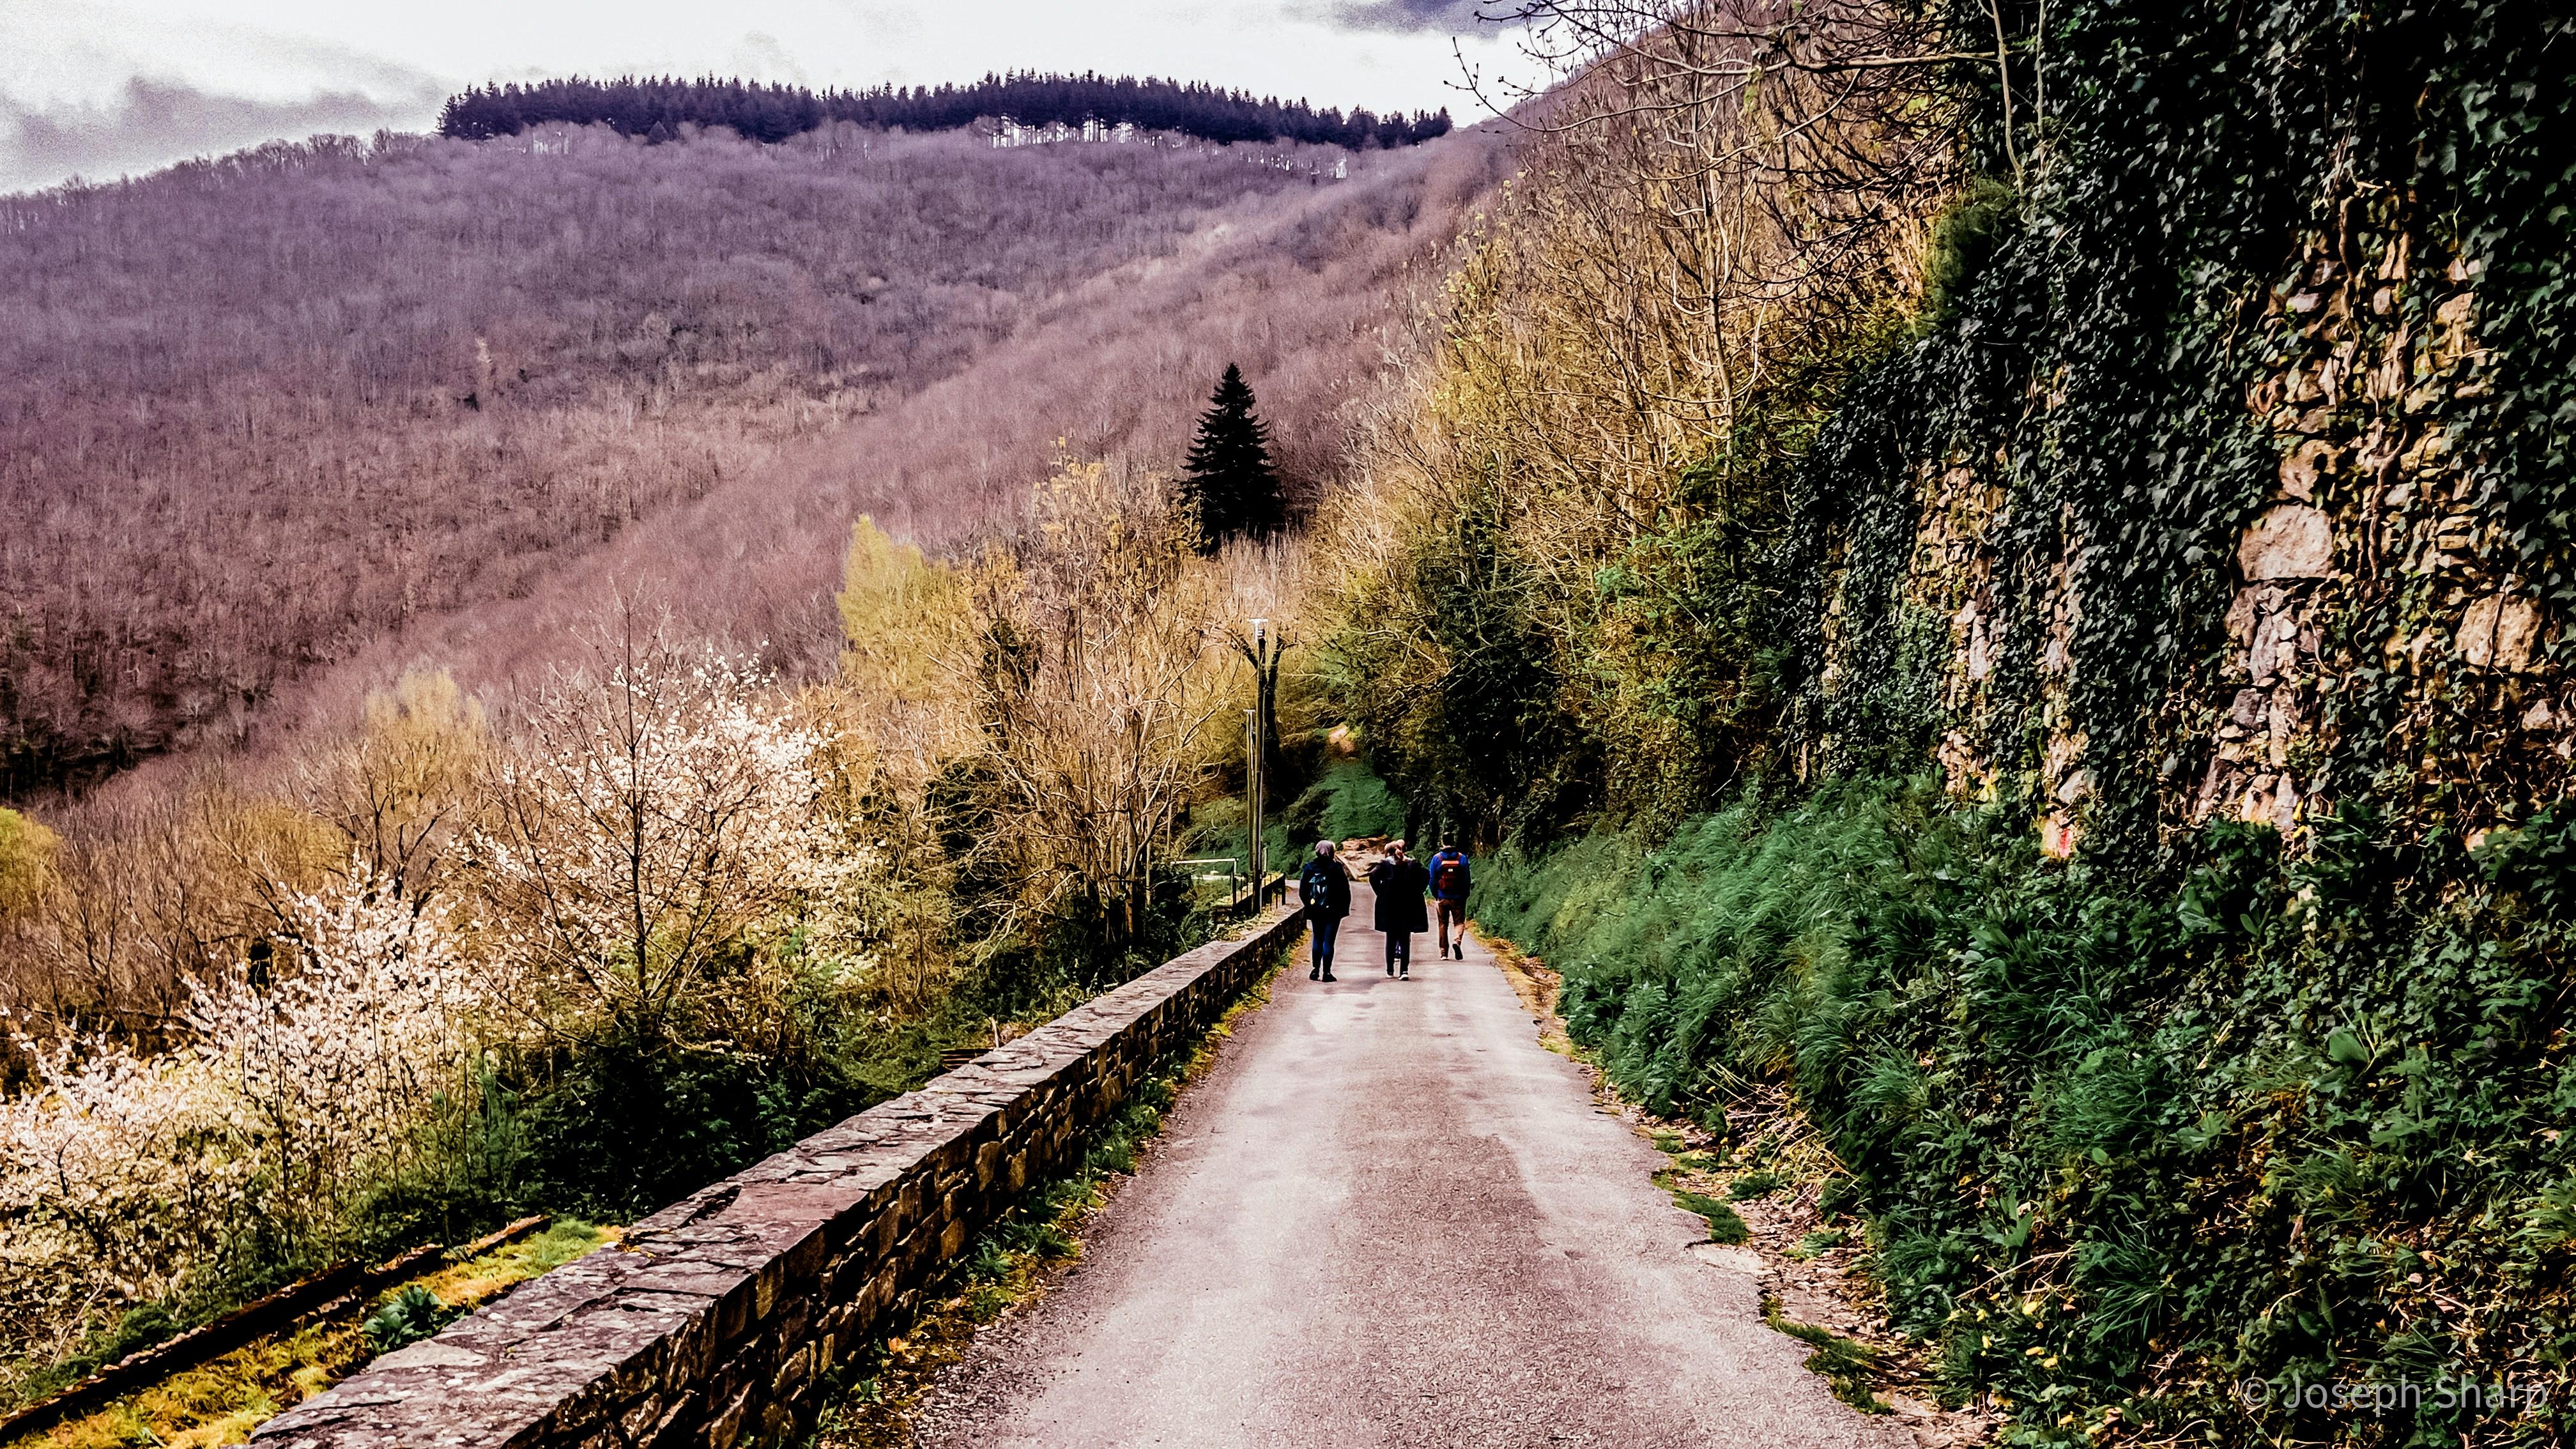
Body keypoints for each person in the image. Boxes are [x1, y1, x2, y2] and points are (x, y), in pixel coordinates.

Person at [1366, 838, 1430, 979]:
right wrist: (1418, 890)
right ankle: (1404, 971)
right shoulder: (1412, 864)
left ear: (1387, 853)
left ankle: (1390, 970)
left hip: (1390, 906)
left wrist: (1381, 892)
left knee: (1391, 938)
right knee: (1404, 939)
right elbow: (1426, 875)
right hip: (1408, 906)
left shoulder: (1384, 865)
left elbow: (1373, 877)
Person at [1298, 839, 1351, 981]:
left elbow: (1303, 891)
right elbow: (1345, 891)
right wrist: (1343, 909)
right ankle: (1327, 973)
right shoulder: (1337, 869)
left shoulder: (1309, 868)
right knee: (1329, 941)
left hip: (1315, 910)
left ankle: (1315, 970)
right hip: (1333, 912)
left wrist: (1309, 905)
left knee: (1317, 938)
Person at [1425, 840, 1472, 958]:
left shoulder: (1437, 858)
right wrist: (1465, 894)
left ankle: (1444, 953)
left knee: (1443, 924)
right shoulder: (1462, 858)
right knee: (1459, 922)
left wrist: (1436, 894)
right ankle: (1457, 941)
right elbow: (1467, 879)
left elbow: (1432, 879)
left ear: (1442, 842)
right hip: (1458, 898)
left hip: (1442, 896)